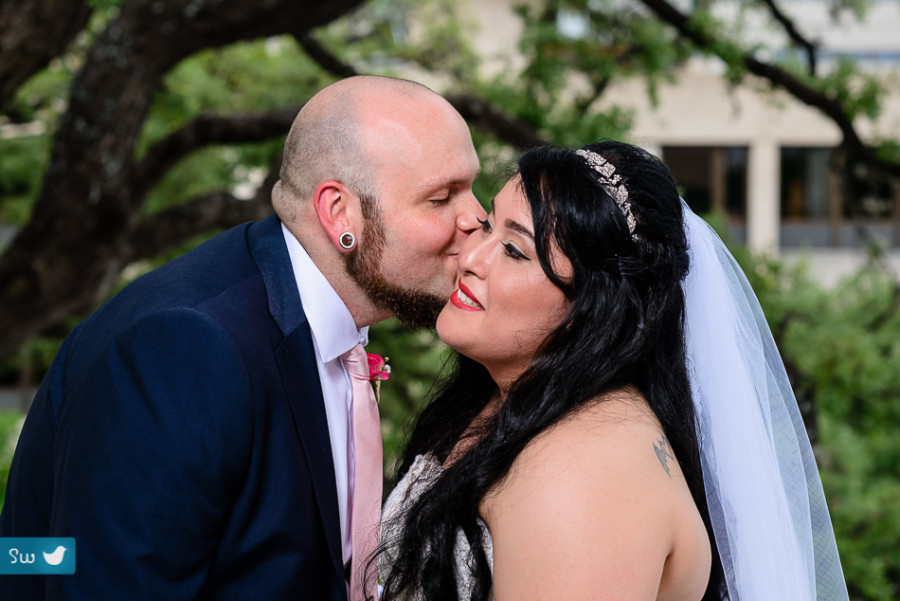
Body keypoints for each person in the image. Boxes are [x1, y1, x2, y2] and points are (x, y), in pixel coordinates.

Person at [0, 75, 484, 601]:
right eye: (441, 198)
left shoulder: (322, 324)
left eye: (472, 187)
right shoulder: (186, 348)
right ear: (339, 213)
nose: (477, 217)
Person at [377, 140, 849, 600]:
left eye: (516, 251)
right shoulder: (510, 401)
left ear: (592, 308)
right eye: (486, 227)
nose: (471, 259)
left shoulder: (585, 477)